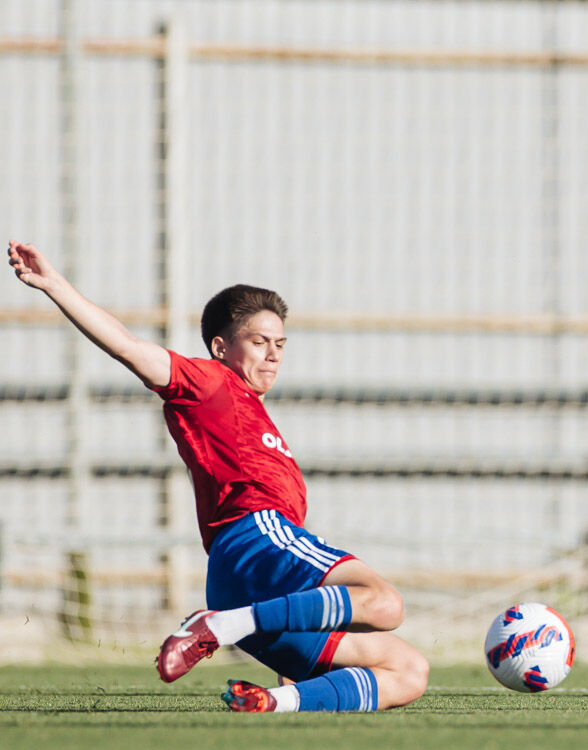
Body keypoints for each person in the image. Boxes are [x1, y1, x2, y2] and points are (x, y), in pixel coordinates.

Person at [9, 240, 429, 713]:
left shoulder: (254, 415)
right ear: (220, 347)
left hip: (248, 581)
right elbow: (127, 346)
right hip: (252, 538)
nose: (273, 355)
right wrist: (54, 284)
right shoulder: (211, 384)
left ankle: (272, 701)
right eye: (259, 341)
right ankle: (219, 626)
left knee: (408, 672)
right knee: (384, 602)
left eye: (280, 344)